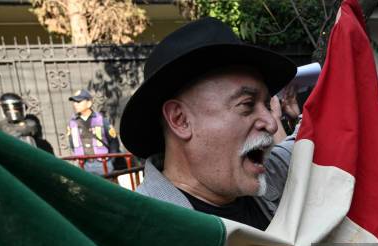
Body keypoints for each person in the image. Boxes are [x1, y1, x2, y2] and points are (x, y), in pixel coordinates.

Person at [118, 17, 297, 229]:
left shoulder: (273, 173)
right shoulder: (142, 238)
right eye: (247, 104)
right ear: (180, 120)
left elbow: (317, 138)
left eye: (266, 105)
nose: (271, 124)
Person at [66, 89, 119, 175]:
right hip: (84, 165)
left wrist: (110, 161)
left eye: (78, 101)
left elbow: (114, 142)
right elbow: (72, 143)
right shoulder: (72, 123)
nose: (75, 104)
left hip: (103, 164)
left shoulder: (101, 120)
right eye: (74, 101)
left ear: (89, 103)